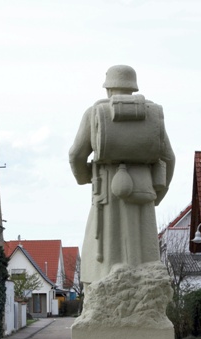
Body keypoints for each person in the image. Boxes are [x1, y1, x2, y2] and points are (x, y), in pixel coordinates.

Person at [69, 65, 175, 289]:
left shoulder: (95, 112)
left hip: (107, 189)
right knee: (143, 249)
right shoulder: (152, 113)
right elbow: (169, 158)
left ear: (108, 88)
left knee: (105, 247)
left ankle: (106, 287)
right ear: (133, 88)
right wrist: (157, 194)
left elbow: (76, 154)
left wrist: (85, 177)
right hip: (143, 191)